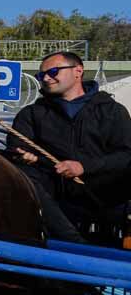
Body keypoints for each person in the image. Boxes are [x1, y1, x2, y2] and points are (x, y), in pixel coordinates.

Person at [10, 51, 131, 244]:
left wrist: (83, 166)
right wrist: (22, 156)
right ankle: (75, 244)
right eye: (41, 76)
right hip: (53, 198)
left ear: (78, 71)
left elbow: (126, 155)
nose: (46, 78)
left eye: (54, 71)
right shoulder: (31, 114)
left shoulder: (112, 111)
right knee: (22, 174)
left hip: (104, 196)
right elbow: (17, 147)